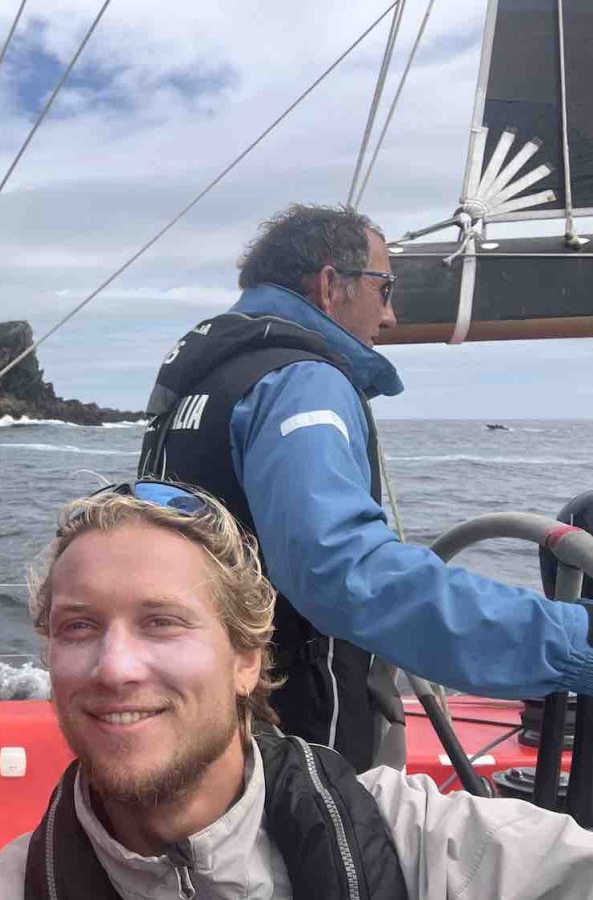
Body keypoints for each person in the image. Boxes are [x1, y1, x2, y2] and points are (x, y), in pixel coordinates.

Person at [0, 481, 593, 899]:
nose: (114, 667)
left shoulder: (416, 846)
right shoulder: (9, 888)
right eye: (79, 626)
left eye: (162, 622)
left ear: (246, 658)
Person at [137, 204, 593, 771]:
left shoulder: (201, 377)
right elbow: (343, 573)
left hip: (207, 720)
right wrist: (573, 640)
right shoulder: (302, 382)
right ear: (332, 285)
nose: (393, 316)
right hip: (291, 744)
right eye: (386, 288)